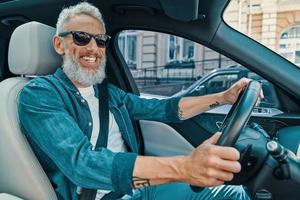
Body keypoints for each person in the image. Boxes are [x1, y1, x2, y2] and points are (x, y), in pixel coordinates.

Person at [18, 2, 254, 200]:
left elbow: (164, 109)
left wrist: (223, 97)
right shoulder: (40, 94)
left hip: (136, 188)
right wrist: (185, 168)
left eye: (100, 40)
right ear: (59, 44)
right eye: (81, 38)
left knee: (233, 193)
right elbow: (82, 164)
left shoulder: (107, 93)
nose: (94, 48)